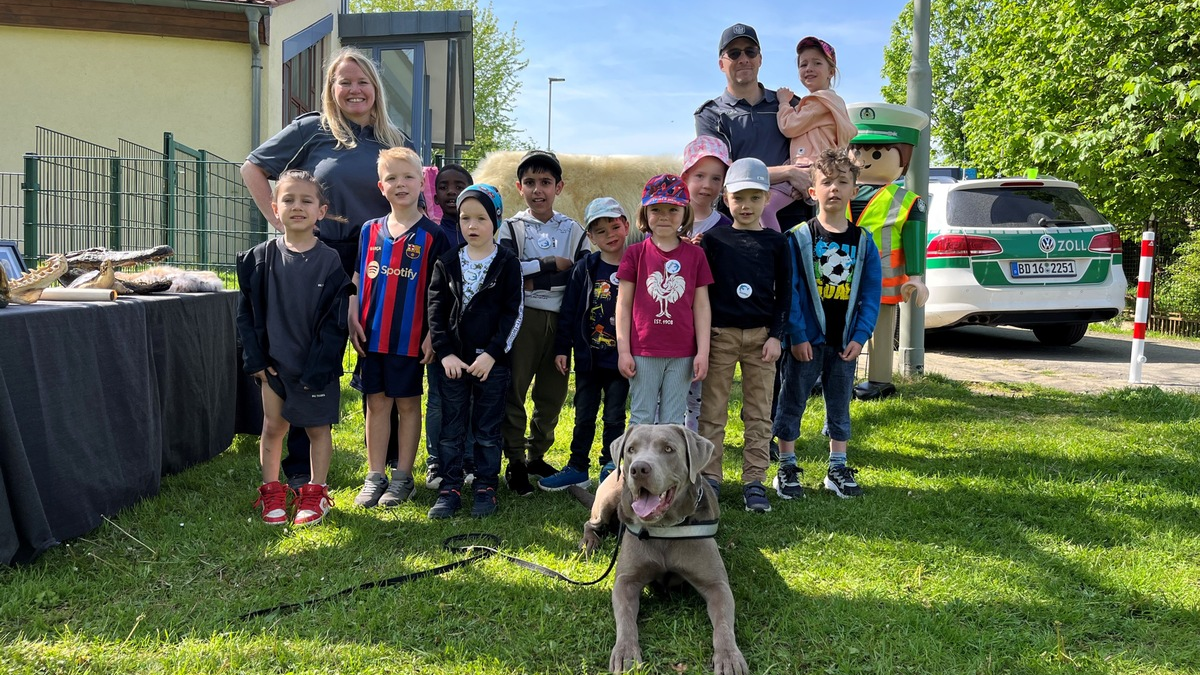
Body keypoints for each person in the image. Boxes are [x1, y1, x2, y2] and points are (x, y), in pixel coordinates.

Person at [241, 46, 410, 489]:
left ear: (376, 89)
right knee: (307, 351)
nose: (355, 90)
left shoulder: (396, 140)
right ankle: (299, 466)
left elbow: (411, 197)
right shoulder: (312, 130)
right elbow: (253, 167)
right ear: (331, 90)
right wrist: (277, 219)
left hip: (380, 257)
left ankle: (390, 464)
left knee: (381, 355)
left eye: (363, 82)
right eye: (345, 82)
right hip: (320, 257)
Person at [237, 170, 353, 526]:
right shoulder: (258, 258)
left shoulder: (331, 261)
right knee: (274, 427)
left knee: (318, 430)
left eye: (306, 200)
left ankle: (315, 493)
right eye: (288, 199)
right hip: (273, 367)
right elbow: (246, 314)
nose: (297, 206)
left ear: (321, 210)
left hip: (315, 367)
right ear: (274, 208)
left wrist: (320, 367)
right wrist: (255, 359)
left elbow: (336, 324)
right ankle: (272, 491)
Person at [773, 148, 881, 500]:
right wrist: (797, 335)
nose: (834, 188)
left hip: (844, 342)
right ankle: (786, 465)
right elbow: (788, 292)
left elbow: (870, 293)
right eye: (826, 182)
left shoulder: (864, 242)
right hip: (806, 343)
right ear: (813, 191)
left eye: (842, 182)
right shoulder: (798, 238)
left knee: (839, 403)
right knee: (793, 399)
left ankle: (837, 466)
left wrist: (861, 336)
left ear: (854, 189)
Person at [349, 147, 449, 509]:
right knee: (376, 404)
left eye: (408, 176)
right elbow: (359, 277)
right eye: (392, 178)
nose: (400, 184)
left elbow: (440, 292)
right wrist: (351, 314)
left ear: (422, 182)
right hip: (372, 336)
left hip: (410, 339)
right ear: (381, 186)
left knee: (408, 405)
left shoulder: (434, 235)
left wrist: (431, 334)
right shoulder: (369, 230)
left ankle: (403, 477)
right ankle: (375, 476)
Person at [697, 158, 790, 512]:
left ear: (767, 199)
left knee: (758, 413)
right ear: (726, 198)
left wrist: (776, 335)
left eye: (755, 198)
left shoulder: (777, 244)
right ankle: (710, 480)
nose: (746, 206)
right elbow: (701, 293)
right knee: (713, 412)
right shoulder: (713, 240)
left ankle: (754, 481)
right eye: (739, 198)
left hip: (761, 339)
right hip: (721, 336)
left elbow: (785, 293)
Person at [427, 184, 523, 518]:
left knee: (486, 430)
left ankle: (485, 486)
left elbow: (514, 313)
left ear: (495, 220)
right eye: (465, 218)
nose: (472, 225)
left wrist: (493, 354)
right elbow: (435, 311)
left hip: (491, 364)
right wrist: (446, 353)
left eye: (481, 218)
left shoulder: (508, 263)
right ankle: (450, 487)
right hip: (453, 363)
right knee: (451, 429)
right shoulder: (447, 262)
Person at [498, 150, 589, 495]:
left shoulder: (573, 229)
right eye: (531, 183)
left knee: (552, 395)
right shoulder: (511, 227)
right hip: (522, 319)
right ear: (519, 187)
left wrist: (534, 276)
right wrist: (551, 263)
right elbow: (506, 273)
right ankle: (516, 461)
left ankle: (537, 454)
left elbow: (581, 276)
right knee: (515, 391)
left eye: (546, 183)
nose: (538, 190)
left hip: (562, 322)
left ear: (559, 187)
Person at [539, 198, 632, 491]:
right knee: (584, 414)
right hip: (589, 359)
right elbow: (569, 311)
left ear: (626, 225)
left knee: (615, 415)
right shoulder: (586, 268)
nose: (610, 235)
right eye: (601, 231)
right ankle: (578, 466)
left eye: (615, 226)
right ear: (590, 237)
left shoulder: (639, 263)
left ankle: (611, 466)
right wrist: (561, 349)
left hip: (622, 359)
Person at [845, 102, 931, 401]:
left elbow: (914, 239)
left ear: (903, 159)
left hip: (884, 281)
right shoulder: (839, 189)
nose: (864, 159)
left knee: (881, 332)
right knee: (840, 328)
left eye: (877, 152)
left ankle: (879, 379)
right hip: (838, 279)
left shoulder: (908, 200)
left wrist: (918, 276)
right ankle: (838, 375)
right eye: (857, 151)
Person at [694, 23, 812, 232]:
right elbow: (722, 173)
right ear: (722, 64)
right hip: (737, 222)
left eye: (750, 51)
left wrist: (805, 174)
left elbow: (814, 152)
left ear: (760, 59)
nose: (744, 59)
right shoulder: (710, 114)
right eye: (734, 53)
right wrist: (788, 173)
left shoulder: (790, 105)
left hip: (794, 219)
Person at [616, 174, 712, 426]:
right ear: (645, 213)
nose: (664, 216)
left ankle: (670, 468)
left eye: (673, 209)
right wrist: (623, 350)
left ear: (685, 213)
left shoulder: (696, 255)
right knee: (641, 417)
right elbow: (623, 305)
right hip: (643, 351)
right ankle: (634, 467)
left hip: (682, 353)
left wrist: (703, 351)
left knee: (672, 421)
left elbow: (701, 307)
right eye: (656, 209)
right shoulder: (635, 254)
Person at [771, 36, 858, 232]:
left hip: (806, 166)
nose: (808, 68)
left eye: (817, 63)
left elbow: (789, 126)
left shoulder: (819, 101)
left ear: (831, 72)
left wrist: (784, 102)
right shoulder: (834, 103)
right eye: (803, 64)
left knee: (766, 207)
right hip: (820, 167)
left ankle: (776, 247)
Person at [424, 162, 474, 491]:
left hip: (474, 332)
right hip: (440, 331)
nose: (451, 192)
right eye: (444, 186)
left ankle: (468, 459)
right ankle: (436, 462)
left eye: (459, 185)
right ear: (435, 194)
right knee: (439, 398)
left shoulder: (481, 229)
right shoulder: (430, 232)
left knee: (470, 397)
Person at [679, 136, 733, 433]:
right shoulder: (665, 220)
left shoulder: (725, 227)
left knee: (698, 394)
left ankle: (693, 456)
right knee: (666, 395)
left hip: (706, 325)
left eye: (716, 178)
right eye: (699, 176)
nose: (707, 185)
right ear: (685, 176)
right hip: (668, 326)